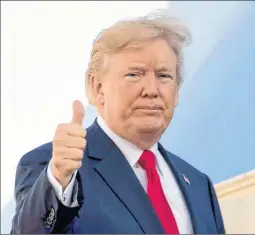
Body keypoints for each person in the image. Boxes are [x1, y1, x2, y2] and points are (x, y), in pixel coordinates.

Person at [11, 11, 225, 234]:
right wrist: (58, 179)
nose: (152, 90)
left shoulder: (200, 187)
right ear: (98, 87)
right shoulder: (55, 170)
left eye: (164, 76)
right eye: (134, 74)